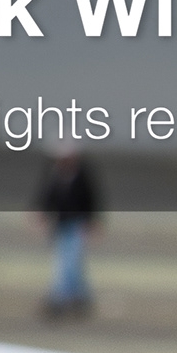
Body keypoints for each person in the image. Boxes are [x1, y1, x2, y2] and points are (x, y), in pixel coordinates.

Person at [36, 137, 103, 319]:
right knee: (63, 259)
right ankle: (75, 298)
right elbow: (47, 195)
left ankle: (62, 299)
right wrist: (41, 213)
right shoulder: (55, 173)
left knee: (71, 261)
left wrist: (92, 222)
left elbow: (91, 198)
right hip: (60, 223)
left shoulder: (81, 174)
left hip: (77, 223)